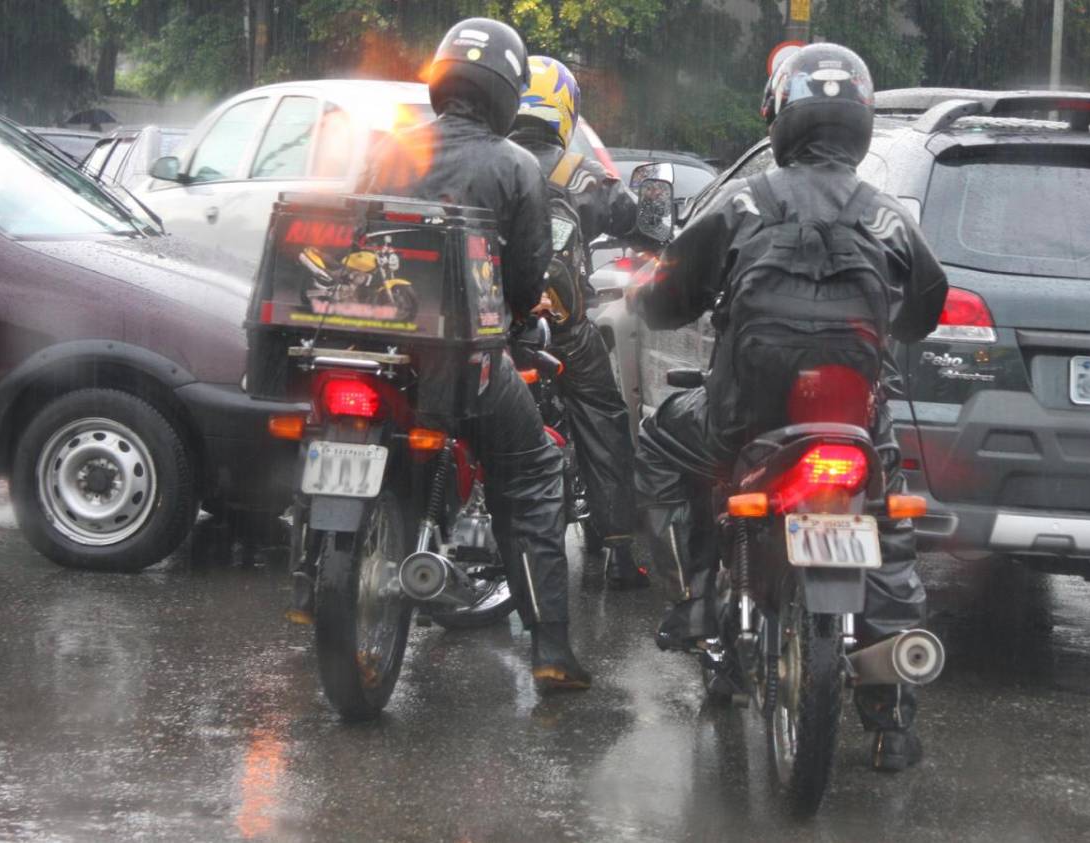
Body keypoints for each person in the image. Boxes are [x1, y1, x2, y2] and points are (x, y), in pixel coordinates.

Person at [626, 43, 949, 771]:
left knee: (656, 443)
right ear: (860, 124)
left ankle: (690, 604)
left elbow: (665, 300)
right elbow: (926, 307)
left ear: (781, 119)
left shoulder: (743, 202)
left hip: (744, 418)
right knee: (885, 521)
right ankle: (892, 717)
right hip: (854, 421)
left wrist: (653, 296)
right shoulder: (888, 214)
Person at [363, 18, 590, 690]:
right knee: (532, 474)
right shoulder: (517, 167)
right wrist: (519, 316)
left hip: (380, 351)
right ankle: (550, 647)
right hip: (466, 363)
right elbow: (524, 284)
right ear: (504, 94)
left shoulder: (390, 152)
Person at [508, 55, 650, 590]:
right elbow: (642, 223)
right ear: (565, 109)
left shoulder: (487, 159)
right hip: (560, 329)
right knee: (605, 419)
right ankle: (618, 549)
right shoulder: (579, 173)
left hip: (483, 326)